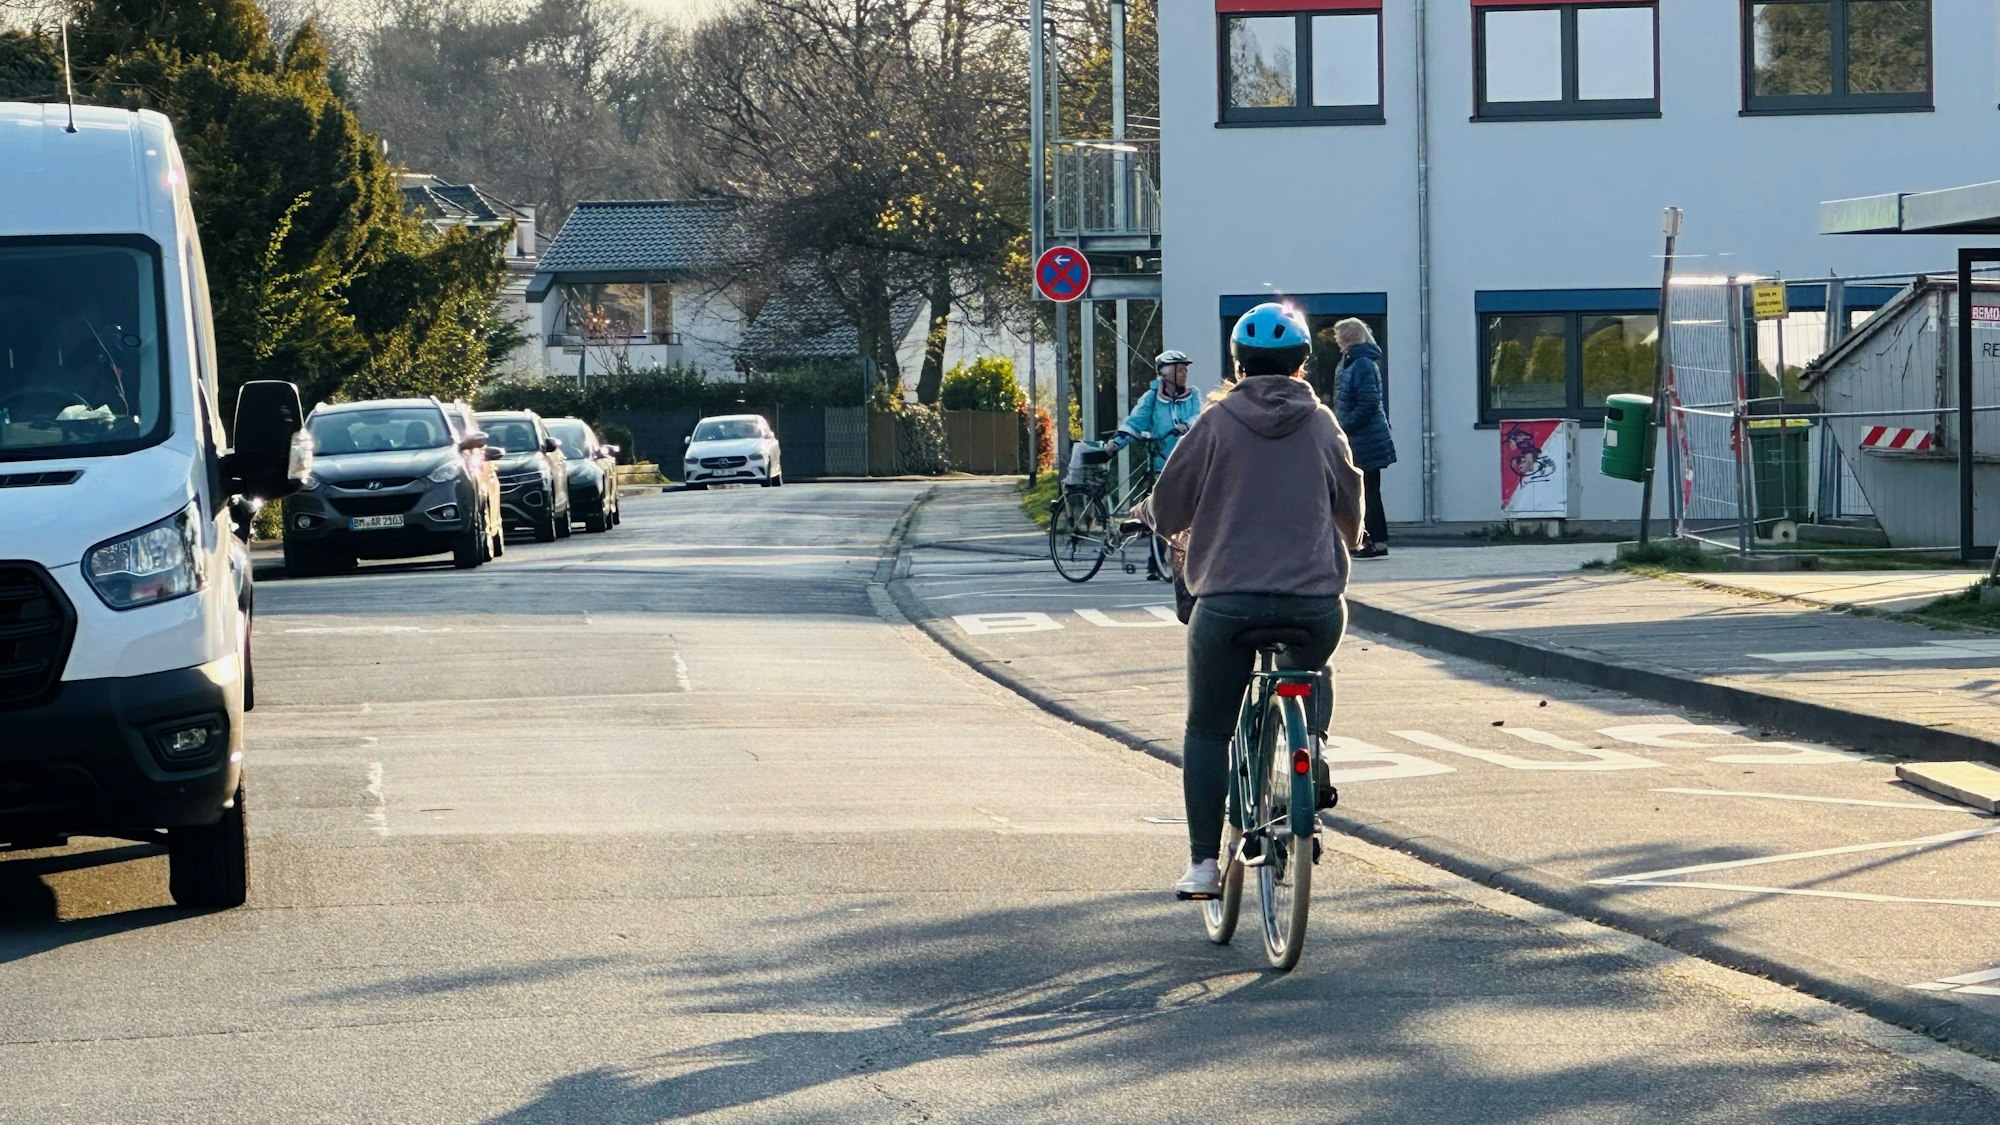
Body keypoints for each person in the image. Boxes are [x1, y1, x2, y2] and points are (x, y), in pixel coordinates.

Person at [1136, 303, 1363, 897]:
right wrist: (1349, 536)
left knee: (1208, 729)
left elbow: (1169, 506)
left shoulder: (1214, 422)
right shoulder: (1320, 423)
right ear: (1302, 365)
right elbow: (1350, 490)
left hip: (1229, 603)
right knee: (1313, 663)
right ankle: (1310, 743)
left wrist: (1160, 521)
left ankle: (1204, 865)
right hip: (1313, 603)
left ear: (1237, 364)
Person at [1107, 349, 1202, 580]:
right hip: (1161, 462)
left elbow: (1201, 416)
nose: (1184, 374)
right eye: (1180, 369)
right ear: (1166, 374)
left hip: (1188, 463)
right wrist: (1118, 441)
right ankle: (1155, 563)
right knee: (1159, 512)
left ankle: (1190, 561)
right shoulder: (1151, 398)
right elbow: (1136, 421)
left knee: (1193, 512)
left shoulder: (1193, 395)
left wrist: (1187, 425)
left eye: (1185, 369)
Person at [1332, 319, 1393, 558]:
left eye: (1339, 335)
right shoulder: (1352, 362)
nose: (1336, 340)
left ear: (1348, 337)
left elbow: (1368, 403)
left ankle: (1376, 542)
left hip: (1364, 438)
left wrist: (1343, 426)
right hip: (1361, 437)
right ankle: (1369, 540)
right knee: (1363, 490)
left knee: (1367, 490)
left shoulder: (1362, 364)